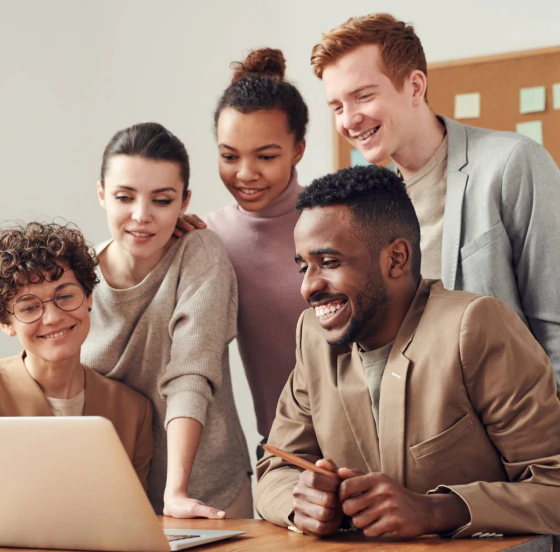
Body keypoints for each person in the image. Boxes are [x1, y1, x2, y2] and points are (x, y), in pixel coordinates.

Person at [256, 165, 560, 540]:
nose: (308, 287)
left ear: (397, 258)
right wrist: (300, 502)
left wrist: (436, 510)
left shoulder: (475, 327)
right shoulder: (314, 337)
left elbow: (554, 487)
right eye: (304, 266)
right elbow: (274, 468)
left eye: (329, 263)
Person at [310, 13, 560, 383]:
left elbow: (554, 322)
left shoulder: (511, 163)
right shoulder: (367, 208)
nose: (349, 120)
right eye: (337, 106)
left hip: (517, 423)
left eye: (363, 96)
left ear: (414, 86)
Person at [81, 122, 252, 518]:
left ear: (184, 202)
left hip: (205, 493)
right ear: (102, 195)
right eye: (125, 197)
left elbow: (190, 372)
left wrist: (175, 492)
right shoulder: (78, 274)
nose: (141, 216)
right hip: (113, 497)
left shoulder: (199, 254)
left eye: (161, 200)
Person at [182, 48, 309, 453]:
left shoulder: (335, 218)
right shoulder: (208, 236)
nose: (245, 174)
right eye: (229, 156)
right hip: (282, 449)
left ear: (298, 150)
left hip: (371, 440)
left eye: (266, 156)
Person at [0, 222, 153, 490]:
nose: (53, 317)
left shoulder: (133, 411)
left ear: (89, 297)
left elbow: (131, 518)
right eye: (29, 308)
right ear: (6, 324)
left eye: (66, 296)